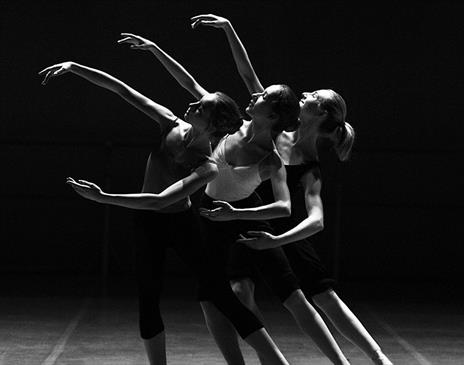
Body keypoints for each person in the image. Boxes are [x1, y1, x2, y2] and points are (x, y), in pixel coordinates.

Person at [38, 55, 290, 365]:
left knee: (219, 292)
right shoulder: (170, 121)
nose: (192, 106)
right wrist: (74, 67)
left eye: (201, 108)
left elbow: (160, 200)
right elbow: (122, 89)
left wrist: (103, 197)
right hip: (148, 224)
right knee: (148, 297)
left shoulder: (207, 166)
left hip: (181, 224)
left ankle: (274, 359)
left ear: (211, 125)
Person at [191, 13, 393, 365]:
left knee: (320, 295)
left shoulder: (309, 164)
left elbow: (315, 221)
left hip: (282, 228)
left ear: (322, 112)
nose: (305, 93)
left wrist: (279, 240)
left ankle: (373, 359)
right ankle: (267, 357)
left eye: (314, 95)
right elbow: (246, 73)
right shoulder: (273, 130)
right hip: (248, 216)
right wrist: (229, 28)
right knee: (238, 290)